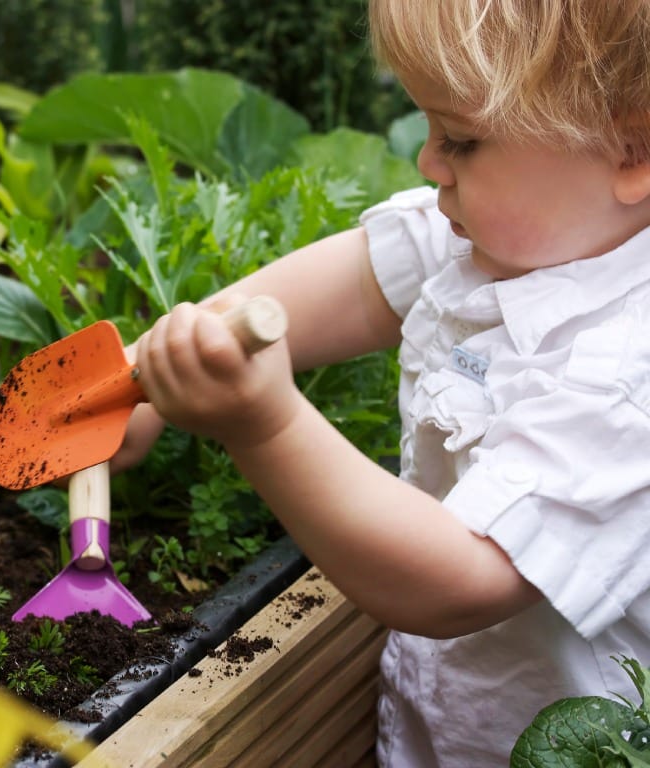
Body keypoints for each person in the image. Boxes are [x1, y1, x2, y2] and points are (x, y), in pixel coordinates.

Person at [109, 1, 650, 765]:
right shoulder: (506, 236)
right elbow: (357, 284)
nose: (429, 164)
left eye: (461, 139)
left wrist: (262, 425)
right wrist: (143, 372)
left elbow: (458, 579)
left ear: (633, 149)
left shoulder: (630, 368)